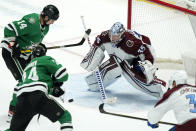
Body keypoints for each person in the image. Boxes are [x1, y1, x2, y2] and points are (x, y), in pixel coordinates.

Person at [80, 22, 166, 102]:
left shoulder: (132, 42)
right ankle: (94, 83)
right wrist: (92, 60)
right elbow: (98, 42)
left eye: (116, 36)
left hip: (136, 58)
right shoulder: (105, 36)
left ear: (122, 34)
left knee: (141, 75)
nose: (112, 38)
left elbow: (146, 48)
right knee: (110, 67)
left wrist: (148, 62)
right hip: (120, 59)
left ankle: (162, 89)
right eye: (111, 34)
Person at [0, 4, 59, 119]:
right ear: (46, 17)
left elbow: (32, 40)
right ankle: (13, 110)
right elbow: (10, 28)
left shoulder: (45, 27)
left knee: (33, 77)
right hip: (11, 53)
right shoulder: (32, 21)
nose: (53, 22)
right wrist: (14, 44)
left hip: (23, 55)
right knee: (25, 80)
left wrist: (39, 46)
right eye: (52, 19)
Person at [5, 44, 73, 131]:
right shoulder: (45, 59)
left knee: (13, 130)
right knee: (65, 117)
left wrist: (51, 89)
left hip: (21, 100)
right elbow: (63, 75)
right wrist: (54, 82)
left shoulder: (26, 69)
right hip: (38, 96)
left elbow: (25, 87)